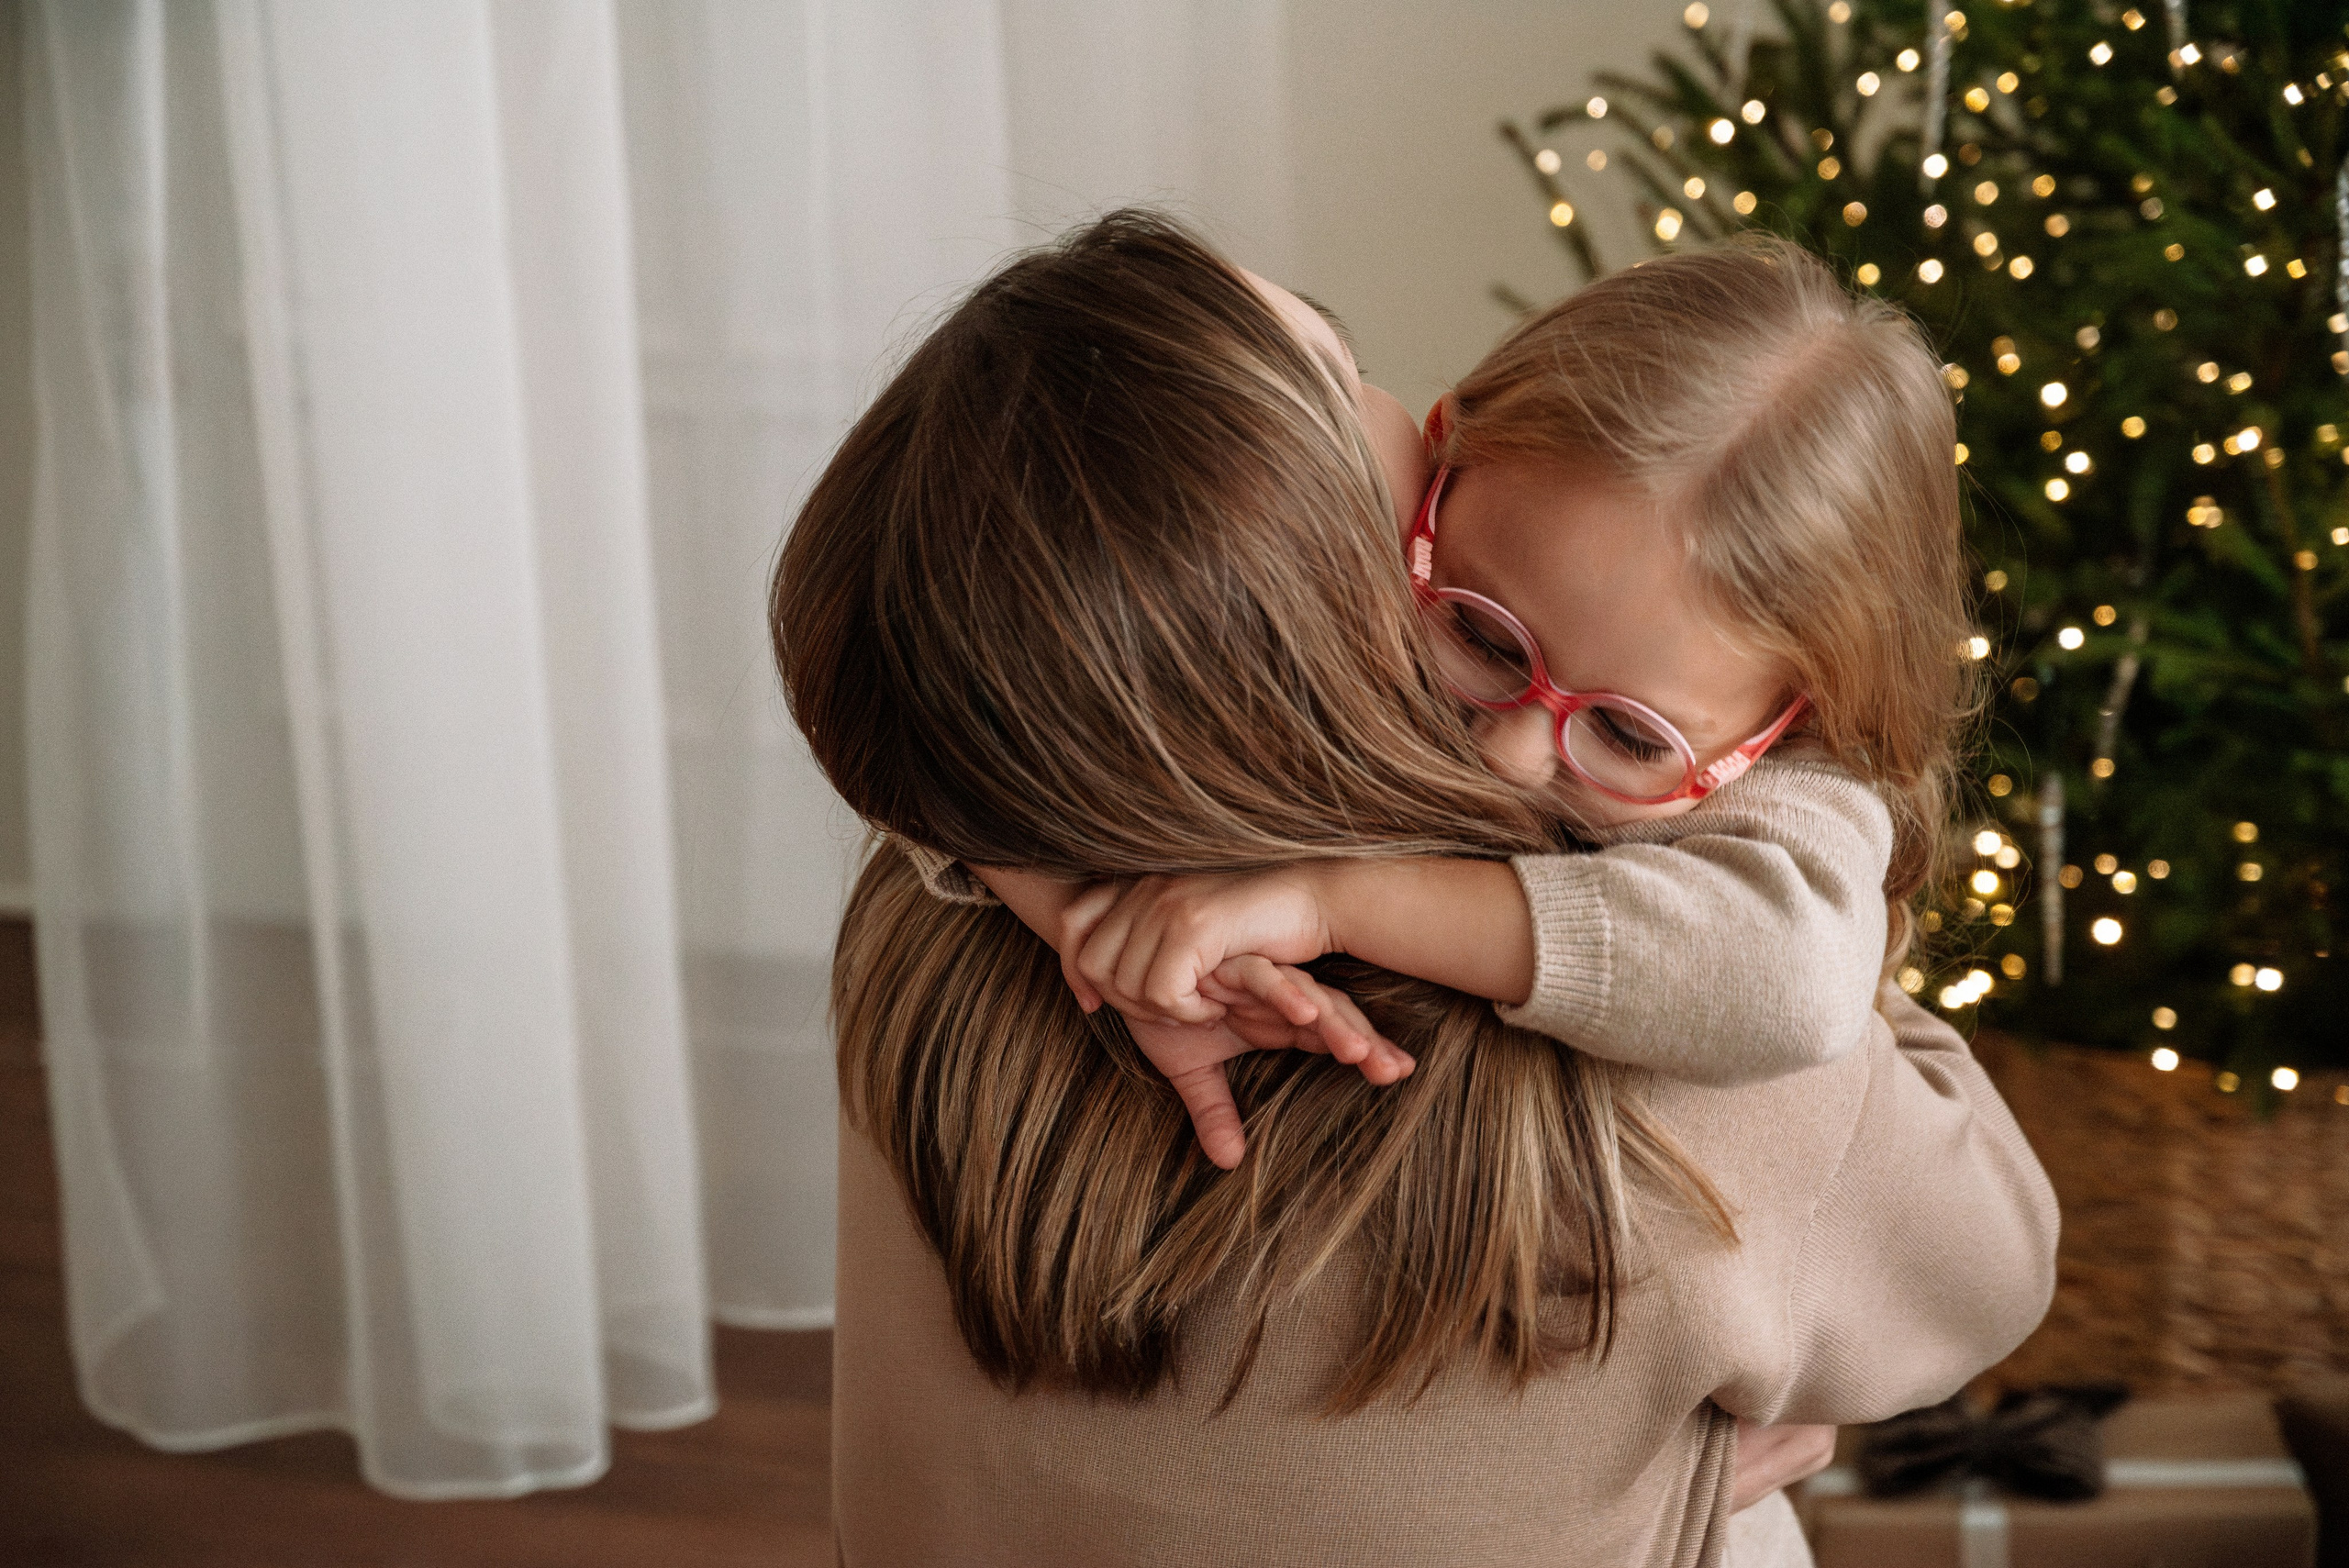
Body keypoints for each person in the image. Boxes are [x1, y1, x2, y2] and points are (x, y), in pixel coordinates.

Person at [774, 210, 2056, 1567]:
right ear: (1327, 562)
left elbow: (923, 725)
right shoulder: (1695, 1052)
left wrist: (1055, 886)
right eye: (1343, 372)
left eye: (1626, 731)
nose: (1412, 410)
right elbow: (1990, 1272)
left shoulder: (926, 906)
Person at [1015, 236, 1973, 1185]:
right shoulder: (1388, 531)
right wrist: (1091, 929)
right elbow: (925, 698)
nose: (1510, 752)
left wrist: (1327, 899)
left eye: (1630, 734)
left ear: (1787, 722)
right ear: (1443, 458)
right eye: (1482, 637)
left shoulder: (1798, 792)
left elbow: (1793, 987)